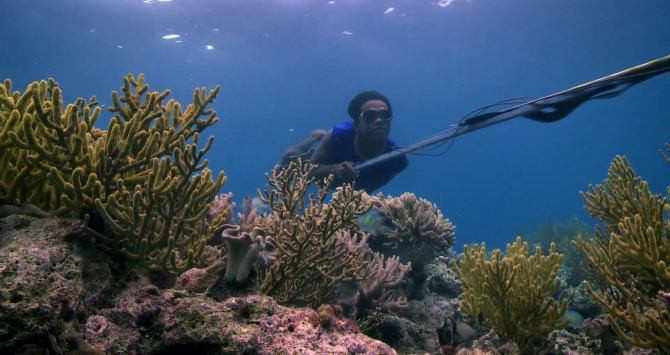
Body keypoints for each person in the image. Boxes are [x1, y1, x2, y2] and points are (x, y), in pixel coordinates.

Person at [276, 90, 408, 193]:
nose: (379, 121)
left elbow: (367, 188)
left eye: (385, 115)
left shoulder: (398, 161)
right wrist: (336, 169)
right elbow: (311, 171)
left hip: (344, 186)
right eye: (369, 116)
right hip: (323, 161)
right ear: (356, 125)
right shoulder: (337, 135)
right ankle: (313, 138)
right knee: (287, 161)